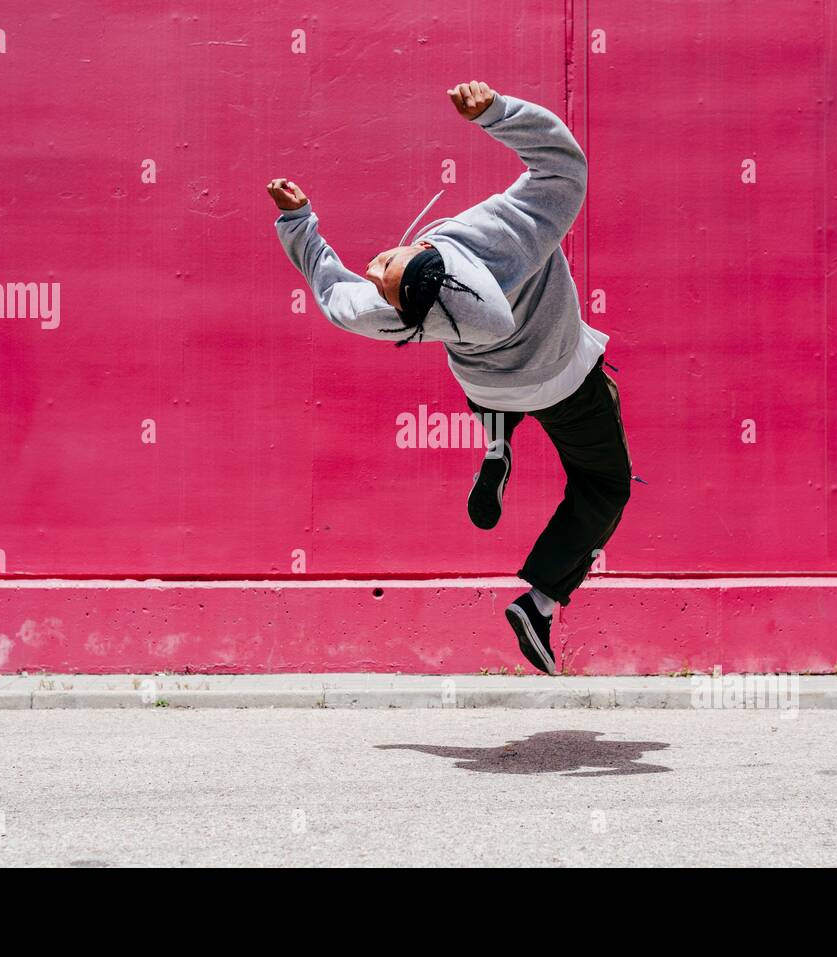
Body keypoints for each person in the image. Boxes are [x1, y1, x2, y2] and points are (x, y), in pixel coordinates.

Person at [267, 81, 632, 676]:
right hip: (561, 377)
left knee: (492, 390)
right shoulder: (516, 232)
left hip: (487, 389)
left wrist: (300, 222)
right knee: (604, 482)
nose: (371, 268)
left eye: (382, 268)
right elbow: (564, 163)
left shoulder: (399, 319)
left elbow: (334, 293)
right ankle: (539, 602)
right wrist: (497, 113)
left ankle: (497, 441)